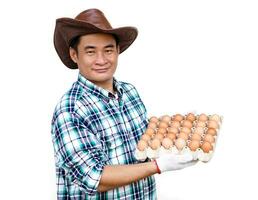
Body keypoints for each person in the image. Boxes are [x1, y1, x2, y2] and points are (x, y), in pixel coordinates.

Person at [51, 8, 197, 199]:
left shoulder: (129, 93)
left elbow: (145, 148)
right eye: (90, 51)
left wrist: (182, 135)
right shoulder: (70, 109)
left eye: (108, 50)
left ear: (118, 51)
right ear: (74, 55)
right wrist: (159, 166)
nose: (101, 60)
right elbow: (96, 178)